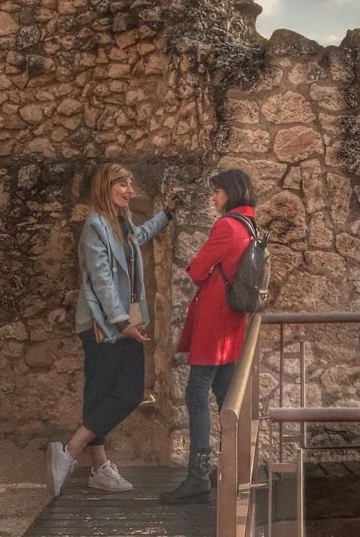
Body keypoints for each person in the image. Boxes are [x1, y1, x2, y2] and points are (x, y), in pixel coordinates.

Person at [46, 163, 180, 497]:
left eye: (131, 185)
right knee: (116, 392)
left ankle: (93, 464)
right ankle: (74, 452)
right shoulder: (95, 226)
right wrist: (123, 324)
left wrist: (168, 214)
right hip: (102, 324)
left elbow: (142, 236)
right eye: (124, 185)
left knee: (113, 393)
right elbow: (102, 280)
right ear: (108, 187)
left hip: (124, 320)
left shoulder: (122, 223)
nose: (131, 191)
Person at [159, 168, 257, 505]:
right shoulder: (250, 225)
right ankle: (231, 467)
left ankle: (199, 475)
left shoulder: (227, 226)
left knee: (196, 394)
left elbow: (198, 269)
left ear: (230, 192)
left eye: (216, 192)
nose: (214, 198)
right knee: (224, 396)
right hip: (232, 325)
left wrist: (207, 269)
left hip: (215, 324)